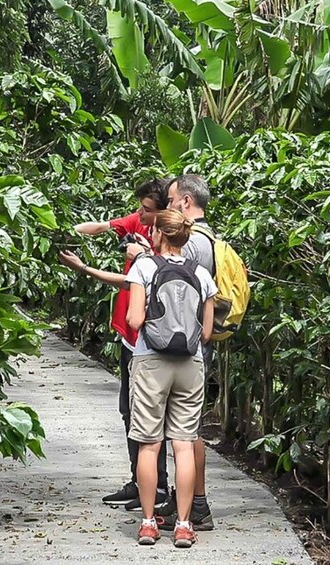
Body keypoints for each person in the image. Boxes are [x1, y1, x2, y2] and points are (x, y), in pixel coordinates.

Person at [63, 179, 171, 509]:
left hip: (150, 343)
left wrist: (142, 255)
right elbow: (101, 228)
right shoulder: (138, 221)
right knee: (129, 411)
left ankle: (158, 488)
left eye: (148, 211)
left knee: (151, 418)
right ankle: (140, 481)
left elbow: (138, 279)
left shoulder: (170, 244)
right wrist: (64, 230)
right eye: (140, 207)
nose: (140, 214)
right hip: (130, 337)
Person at [124, 174, 216, 531]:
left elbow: (134, 318)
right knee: (183, 443)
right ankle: (183, 524)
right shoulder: (201, 275)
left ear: (159, 234)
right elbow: (206, 333)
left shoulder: (144, 266)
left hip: (151, 361)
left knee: (149, 444)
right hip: (190, 364)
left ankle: (148, 522)